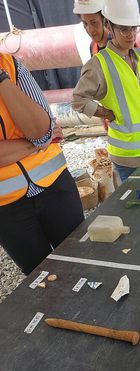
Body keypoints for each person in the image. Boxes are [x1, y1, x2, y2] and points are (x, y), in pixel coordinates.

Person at [0, 53, 84, 275]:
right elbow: (43, 137)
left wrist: (1, 78)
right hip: (8, 208)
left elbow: (40, 130)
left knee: (81, 259)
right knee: (40, 276)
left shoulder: (9, 64)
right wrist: (36, 145)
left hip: (56, 186)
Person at [72, 0, 140, 182]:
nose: (131, 35)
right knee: (135, 208)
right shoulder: (99, 63)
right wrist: (105, 113)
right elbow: (78, 100)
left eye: (134, 28)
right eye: (124, 29)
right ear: (109, 26)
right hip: (127, 157)